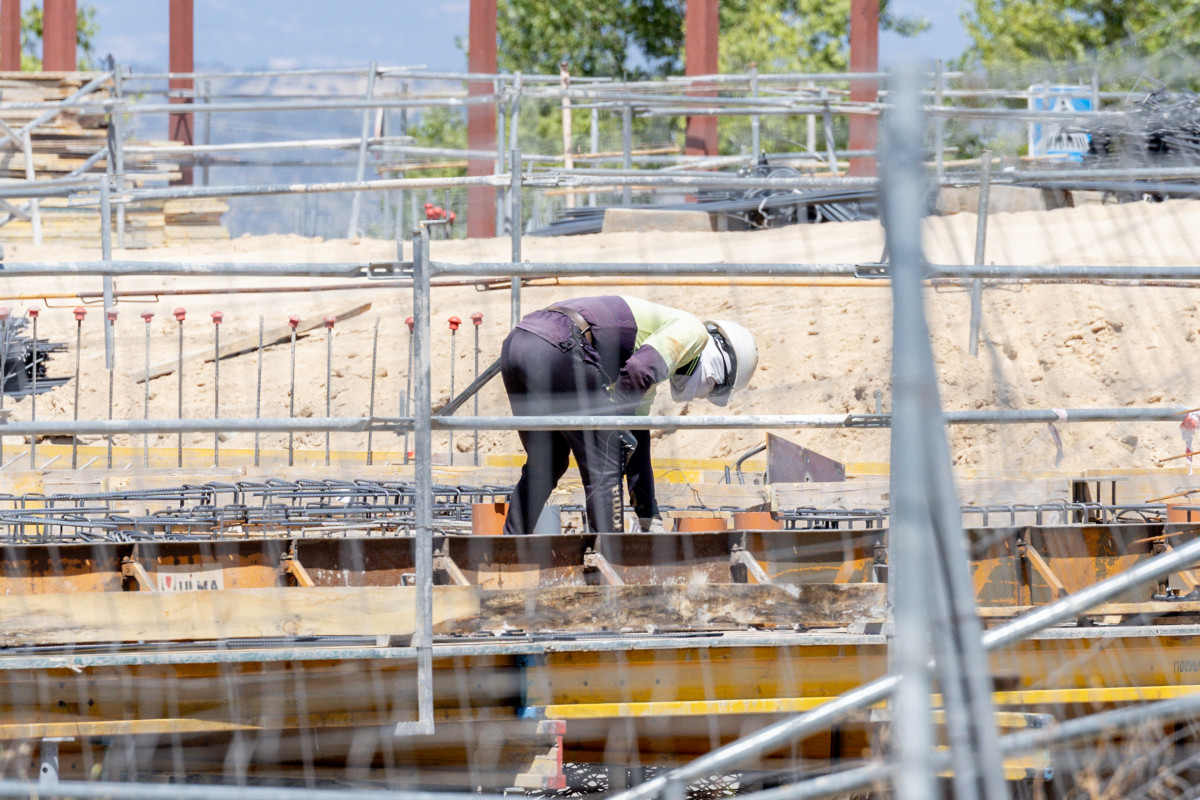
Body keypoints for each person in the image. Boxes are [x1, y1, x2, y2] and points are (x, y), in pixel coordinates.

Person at [499, 295, 757, 535]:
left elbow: (637, 437)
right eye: (716, 388)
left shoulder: (649, 360)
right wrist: (614, 431)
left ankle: (509, 551)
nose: (703, 395)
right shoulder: (692, 331)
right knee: (606, 461)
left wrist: (649, 514)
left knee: (548, 462)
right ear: (722, 365)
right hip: (560, 345)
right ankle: (609, 558)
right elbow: (637, 371)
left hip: (520, 345)